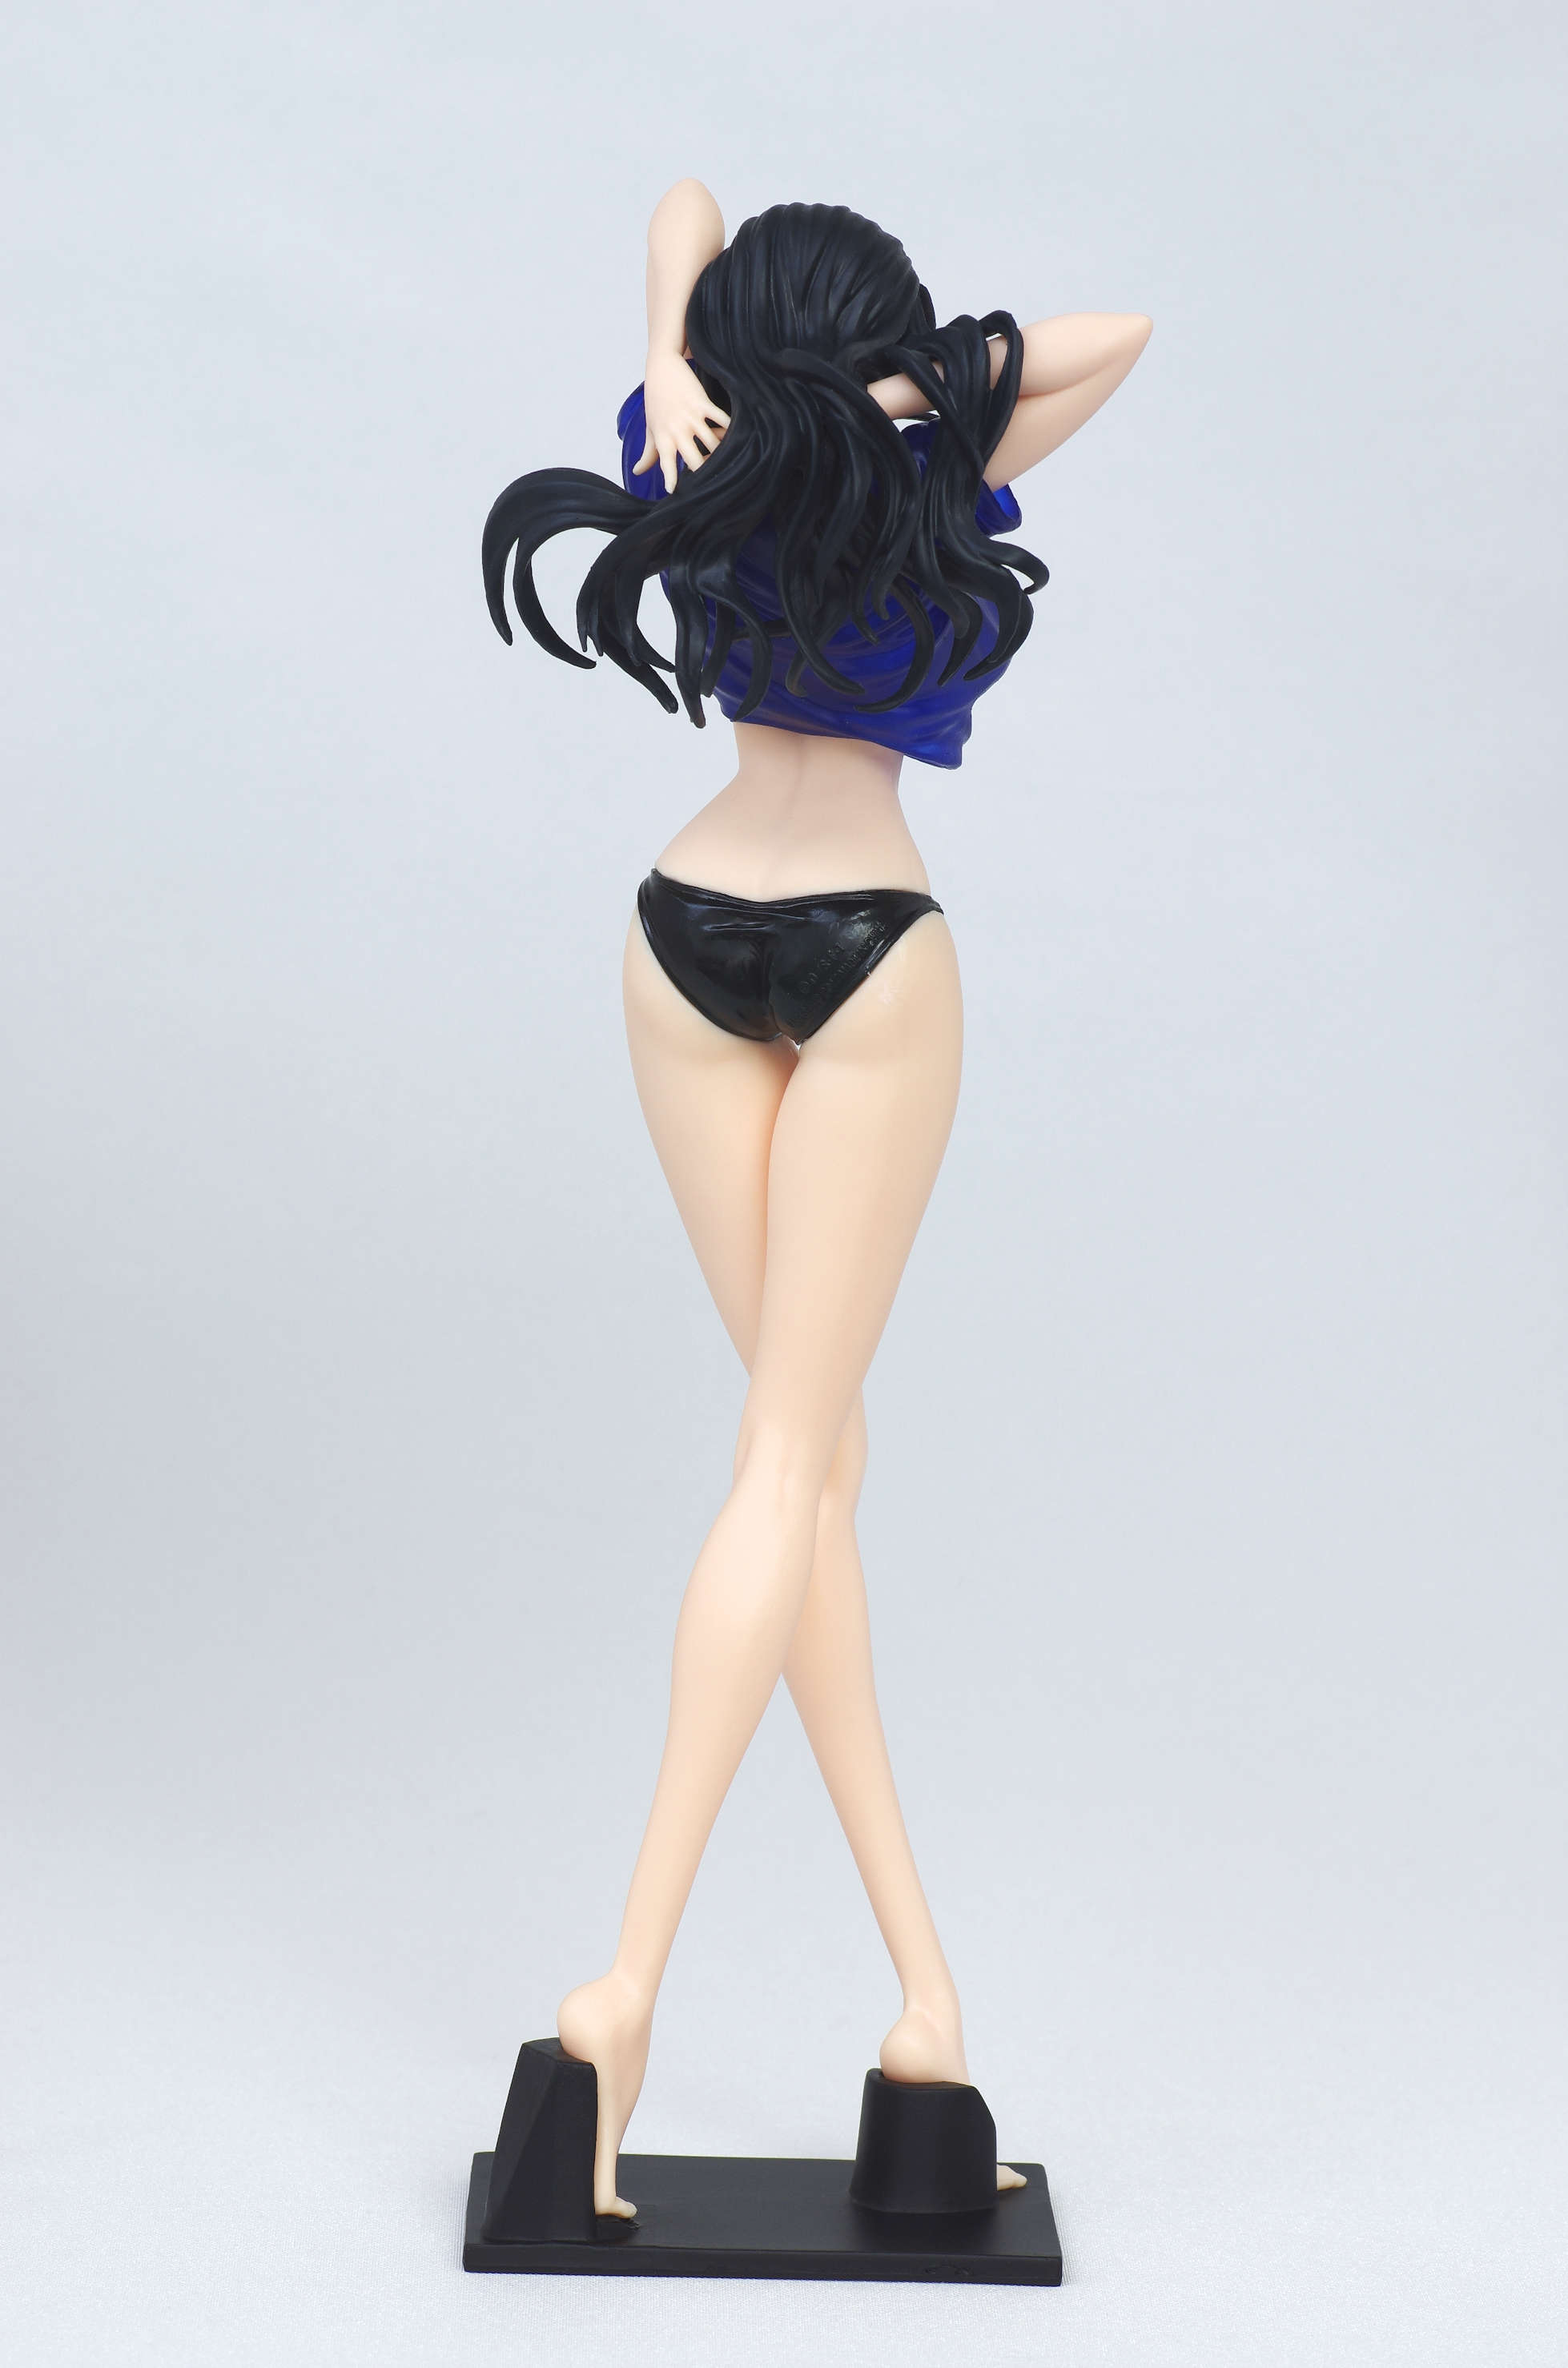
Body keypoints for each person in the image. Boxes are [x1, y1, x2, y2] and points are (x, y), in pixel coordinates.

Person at [483, 177, 1151, 2216]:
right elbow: (1116, 338)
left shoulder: (684, 436)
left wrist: (687, 355)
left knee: (814, 1459)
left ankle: (924, 2002)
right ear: (888, 333)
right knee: (788, 1466)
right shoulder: (930, 453)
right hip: (866, 949)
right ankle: (621, 1994)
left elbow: (680, 200)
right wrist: (915, 389)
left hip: (680, 930)